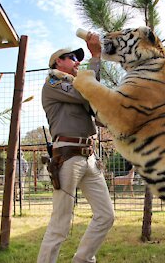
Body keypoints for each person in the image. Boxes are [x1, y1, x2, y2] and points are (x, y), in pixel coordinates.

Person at [37, 32, 115, 263]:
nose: (77, 61)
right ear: (57, 62)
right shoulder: (53, 83)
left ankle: (82, 259)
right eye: (71, 57)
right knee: (61, 223)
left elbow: (96, 104)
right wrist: (96, 57)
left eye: (78, 58)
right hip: (68, 157)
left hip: (89, 157)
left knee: (106, 215)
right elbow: (87, 92)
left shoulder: (76, 87)